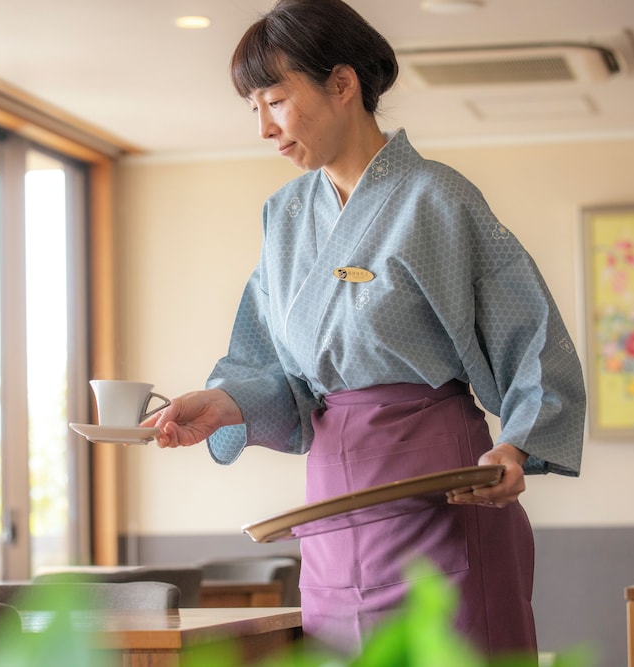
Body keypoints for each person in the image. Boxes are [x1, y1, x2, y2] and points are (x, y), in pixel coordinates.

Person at [142, 0, 585, 661]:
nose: (263, 127)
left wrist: (515, 450)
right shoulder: (284, 217)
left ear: (342, 85)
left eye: (275, 99)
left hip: (438, 490)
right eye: (252, 107)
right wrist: (225, 402)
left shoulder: (437, 198)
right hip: (330, 508)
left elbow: (533, 338)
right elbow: (275, 366)